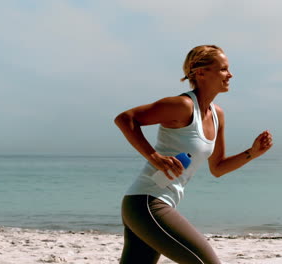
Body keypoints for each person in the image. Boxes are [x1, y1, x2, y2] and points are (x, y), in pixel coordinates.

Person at [114, 45, 273, 264]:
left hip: (154, 203)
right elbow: (126, 119)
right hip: (147, 202)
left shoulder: (217, 115)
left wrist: (252, 153)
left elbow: (217, 167)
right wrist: (154, 157)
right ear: (201, 73)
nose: (230, 74)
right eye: (223, 69)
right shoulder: (182, 106)